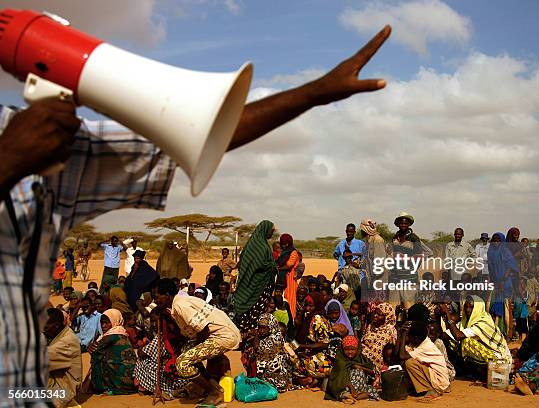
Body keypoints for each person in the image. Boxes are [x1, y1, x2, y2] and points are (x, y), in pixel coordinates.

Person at [0, 25, 391, 395]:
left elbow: (200, 136)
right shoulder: (24, 148)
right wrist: (9, 159)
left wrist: (314, 93)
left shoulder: (48, 157)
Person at [154, 278, 240, 405]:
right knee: (186, 351)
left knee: (182, 364)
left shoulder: (180, 305)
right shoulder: (178, 304)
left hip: (223, 336)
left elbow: (203, 328)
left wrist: (195, 348)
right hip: (219, 335)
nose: (155, 301)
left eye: (157, 297)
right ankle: (214, 387)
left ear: (167, 295)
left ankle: (214, 393)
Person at [441, 296, 511, 379]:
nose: (467, 310)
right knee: (451, 342)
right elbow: (445, 335)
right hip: (489, 358)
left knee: (466, 342)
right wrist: (440, 316)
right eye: (466, 307)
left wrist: (448, 315)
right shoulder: (467, 322)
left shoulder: (483, 322)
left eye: (471, 307)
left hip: (501, 362)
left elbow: (458, 336)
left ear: (478, 308)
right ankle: (472, 371)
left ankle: (483, 374)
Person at [134, 307, 189, 398]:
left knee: (141, 362)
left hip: (172, 375)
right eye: (152, 321)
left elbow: (142, 353)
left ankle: (155, 388)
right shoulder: (179, 333)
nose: (153, 324)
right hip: (181, 374)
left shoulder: (162, 337)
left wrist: (143, 344)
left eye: (155, 321)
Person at [233, 220, 278, 332]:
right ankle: (248, 334)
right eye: (271, 231)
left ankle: (252, 334)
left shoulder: (257, 244)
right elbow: (259, 264)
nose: (272, 234)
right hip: (256, 284)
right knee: (253, 309)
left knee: (256, 311)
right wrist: (272, 265)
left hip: (259, 284)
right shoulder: (260, 246)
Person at [398, 321, 450, 402]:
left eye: (409, 336)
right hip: (436, 377)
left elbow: (402, 356)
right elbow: (398, 354)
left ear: (415, 338)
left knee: (410, 363)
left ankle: (431, 390)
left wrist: (403, 335)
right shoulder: (419, 342)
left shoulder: (425, 346)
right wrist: (399, 336)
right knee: (409, 362)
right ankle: (423, 388)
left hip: (440, 380)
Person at [88, 309, 137, 395]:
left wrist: (92, 349)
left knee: (97, 359)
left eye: (107, 322)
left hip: (120, 382)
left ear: (115, 321)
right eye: (102, 323)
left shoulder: (111, 336)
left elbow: (95, 353)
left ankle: (101, 387)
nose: (103, 326)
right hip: (130, 380)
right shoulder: (122, 332)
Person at [390, 212, 432, 307]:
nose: (403, 225)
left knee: (409, 306)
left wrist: (410, 265)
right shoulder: (395, 237)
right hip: (395, 277)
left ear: (409, 224)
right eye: (401, 223)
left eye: (405, 223)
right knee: (393, 306)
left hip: (409, 278)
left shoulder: (414, 238)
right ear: (398, 224)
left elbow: (422, 255)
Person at [44, 308, 82, 408]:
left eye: (45, 327)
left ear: (56, 325)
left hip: (63, 391)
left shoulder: (67, 341)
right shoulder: (58, 333)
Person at [325, 335, 379, 403]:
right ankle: (350, 396)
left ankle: (350, 397)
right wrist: (352, 388)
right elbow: (340, 377)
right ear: (342, 349)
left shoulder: (361, 358)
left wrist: (359, 367)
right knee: (338, 390)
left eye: (352, 349)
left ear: (357, 349)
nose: (350, 352)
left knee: (373, 390)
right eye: (347, 349)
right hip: (346, 386)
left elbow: (372, 372)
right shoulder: (340, 360)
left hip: (362, 387)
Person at [253, 313, 295, 392]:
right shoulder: (264, 337)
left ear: (271, 326)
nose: (261, 331)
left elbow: (256, 348)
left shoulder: (276, 338)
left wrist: (256, 334)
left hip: (277, 374)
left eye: (264, 328)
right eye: (259, 328)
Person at [487, 232, 518, 337]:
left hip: (505, 283)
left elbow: (510, 267)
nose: (496, 242)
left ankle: (507, 332)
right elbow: (491, 268)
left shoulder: (505, 251)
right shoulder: (490, 251)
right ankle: (495, 330)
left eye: (498, 240)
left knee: (505, 306)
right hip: (495, 282)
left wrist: (503, 280)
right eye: (494, 240)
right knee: (491, 305)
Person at [361, 303, 397, 369]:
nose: (375, 315)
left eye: (379, 315)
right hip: (363, 357)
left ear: (387, 317)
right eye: (375, 313)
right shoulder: (371, 325)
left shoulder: (390, 331)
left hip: (378, 363)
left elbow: (387, 352)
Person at [359, 218, 387, 303]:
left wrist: (373, 281)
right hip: (373, 279)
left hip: (379, 281)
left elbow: (380, 263)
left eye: (361, 229)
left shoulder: (377, 240)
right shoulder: (369, 241)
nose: (361, 231)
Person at [276, 233, 300, 318]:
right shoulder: (283, 252)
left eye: (285, 243)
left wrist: (279, 268)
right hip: (282, 278)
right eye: (282, 243)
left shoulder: (293, 252)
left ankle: (291, 319)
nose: (284, 245)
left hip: (290, 278)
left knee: (289, 299)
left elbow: (289, 265)